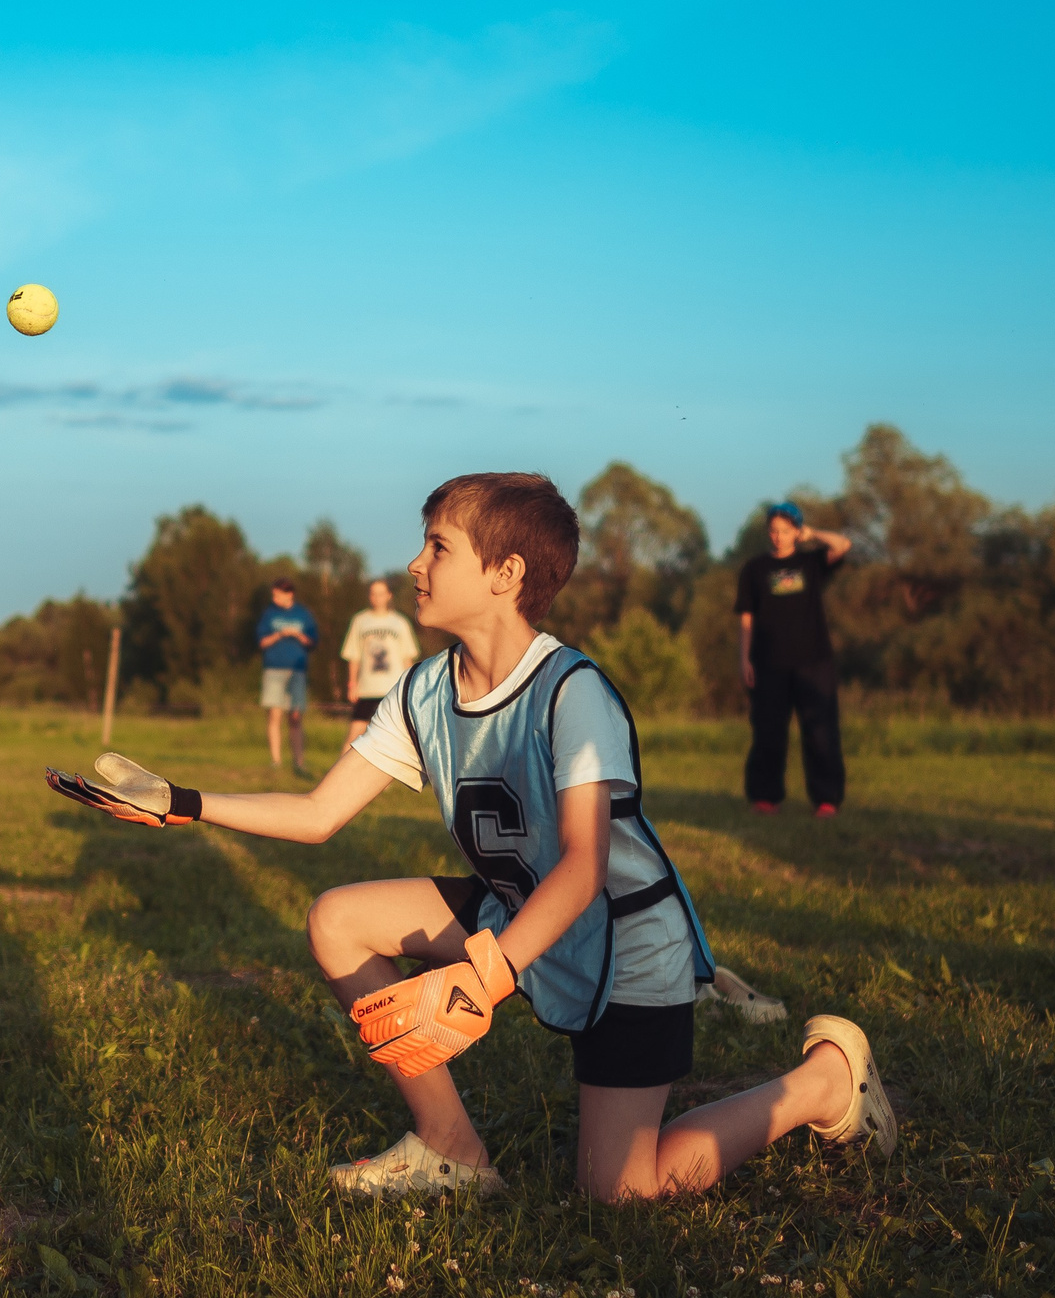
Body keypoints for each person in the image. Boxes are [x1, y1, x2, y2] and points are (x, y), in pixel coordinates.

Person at [45, 473, 892, 1203]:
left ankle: (822, 1081)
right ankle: (451, 1149)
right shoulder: (420, 693)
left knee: (623, 1193)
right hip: (518, 915)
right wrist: (181, 803)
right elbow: (318, 813)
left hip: (628, 943)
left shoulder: (573, 691)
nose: (415, 564)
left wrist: (483, 980)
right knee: (337, 917)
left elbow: (586, 867)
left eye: (437, 547)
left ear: (505, 573)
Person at [735, 501, 854, 817]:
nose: (778, 536)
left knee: (821, 733)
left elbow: (843, 545)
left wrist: (812, 534)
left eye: (785, 530)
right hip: (768, 663)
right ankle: (765, 797)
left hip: (814, 661)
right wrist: (744, 659)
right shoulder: (755, 569)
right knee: (769, 732)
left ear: (796, 532)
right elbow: (746, 617)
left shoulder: (812, 563)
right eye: (773, 530)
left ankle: (827, 799)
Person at [339, 577, 419, 746]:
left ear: (389, 595)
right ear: (369, 596)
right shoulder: (360, 621)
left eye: (381, 593)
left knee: (399, 737)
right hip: (367, 688)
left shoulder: (400, 622)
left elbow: (407, 657)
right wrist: (352, 684)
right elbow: (353, 655)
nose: (377, 597)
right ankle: (339, 772)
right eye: (374, 594)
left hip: (393, 688)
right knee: (355, 734)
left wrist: (410, 688)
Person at [256, 577, 321, 771]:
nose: (274, 598)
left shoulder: (303, 614)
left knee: (295, 717)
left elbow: (313, 642)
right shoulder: (269, 614)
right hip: (273, 669)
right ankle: (276, 761)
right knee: (274, 715)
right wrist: (279, 634)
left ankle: (299, 762)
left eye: (278, 594)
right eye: (273, 594)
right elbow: (262, 642)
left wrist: (297, 635)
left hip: (297, 671)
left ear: (289, 594)